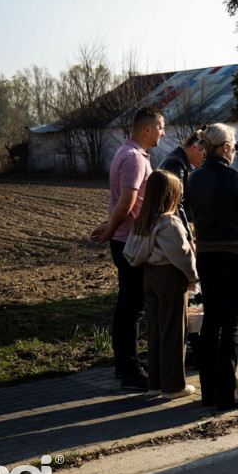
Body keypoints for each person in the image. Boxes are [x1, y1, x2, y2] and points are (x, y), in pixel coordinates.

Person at [89, 106, 165, 391]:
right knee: (132, 308)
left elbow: (122, 204)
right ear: (147, 129)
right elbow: (127, 203)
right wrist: (110, 229)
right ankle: (129, 371)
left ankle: (126, 365)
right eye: (160, 127)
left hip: (125, 238)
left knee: (128, 306)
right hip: (130, 241)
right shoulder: (135, 159)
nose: (163, 132)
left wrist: (109, 225)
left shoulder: (128, 153)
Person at [186, 123, 238, 411]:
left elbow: (193, 211)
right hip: (235, 255)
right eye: (236, 145)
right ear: (226, 147)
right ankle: (229, 394)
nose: (235, 150)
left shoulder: (194, 178)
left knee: (211, 323)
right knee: (231, 324)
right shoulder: (234, 176)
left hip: (205, 254)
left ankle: (209, 392)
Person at [122, 170, 198, 400]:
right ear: (171, 195)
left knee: (155, 330)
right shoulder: (169, 222)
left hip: (150, 276)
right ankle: (174, 386)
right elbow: (182, 255)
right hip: (170, 278)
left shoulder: (143, 221)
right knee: (174, 331)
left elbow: (131, 253)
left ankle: (155, 384)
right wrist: (194, 277)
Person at [157, 131, 205, 240]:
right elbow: (176, 205)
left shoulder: (175, 160)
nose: (204, 160)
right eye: (205, 155)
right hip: (170, 230)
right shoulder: (176, 165)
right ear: (194, 147)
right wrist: (188, 238)